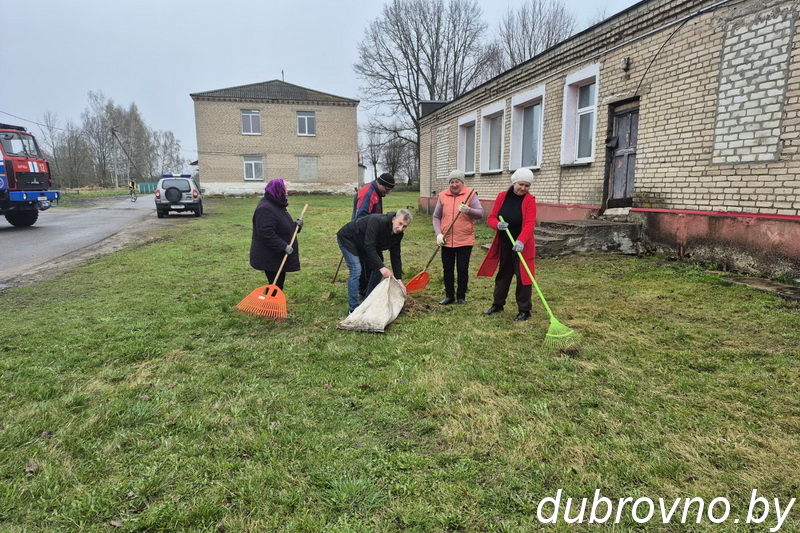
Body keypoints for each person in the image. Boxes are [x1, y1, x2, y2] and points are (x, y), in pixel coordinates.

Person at [477, 168, 537, 321]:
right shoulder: (502, 197)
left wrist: (521, 241)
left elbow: (529, 224)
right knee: (503, 275)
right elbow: (491, 218)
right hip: (504, 244)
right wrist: (497, 224)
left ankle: (524, 310)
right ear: (514, 182)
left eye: (527, 186)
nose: (523, 188)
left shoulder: (530, 200)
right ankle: (497, 305)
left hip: (521, 247)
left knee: (524, 278)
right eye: (521, 184)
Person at [336, 209, 412, 313]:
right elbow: (369, 246)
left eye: (404, 226)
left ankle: (368, 301)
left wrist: (398, 279)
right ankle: (353, 309)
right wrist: (382, 267)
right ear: (394, 219)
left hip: (364, 243)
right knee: (356, 269)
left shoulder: (398, 235)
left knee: (377, 269)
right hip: (349, 238)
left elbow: (395, 256)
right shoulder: (377, 221)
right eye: (400, 223)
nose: (400, 228)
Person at [432, 169, 483, 305]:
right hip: (446, 239)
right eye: (452, 182)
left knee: (462, 268)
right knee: (447, 268)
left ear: (462, 182)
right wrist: (439, 234)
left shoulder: (471, 194)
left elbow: (480, 213)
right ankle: (449, 296)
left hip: (465, 240)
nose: (454, 185)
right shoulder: (443, 195)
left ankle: (461, 296)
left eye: (457, 182)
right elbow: (436, 217)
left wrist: (468, 210)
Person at [249, 179, 303, 290]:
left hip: (276, 255)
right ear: (278, 190)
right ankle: (269, 306)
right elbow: (266, 233)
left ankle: (271, 304)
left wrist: (296, 226)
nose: (287, 193)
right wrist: (283, 246)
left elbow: (281, 226)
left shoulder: (276, 205)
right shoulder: (266, 208)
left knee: (277, 284)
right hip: (270, 255)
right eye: (285, 190)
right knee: (275, 285)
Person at [352, 172, 395, 297]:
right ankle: (365, 291)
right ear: (379, 183)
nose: (387, 192)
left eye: (389, 190)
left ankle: (370, 290)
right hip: (363, 235)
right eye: (386, 189)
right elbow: (360, 219)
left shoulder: (377, 192)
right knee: (369, 264)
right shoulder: (368, 194)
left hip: (372, 234)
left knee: (376, 262)